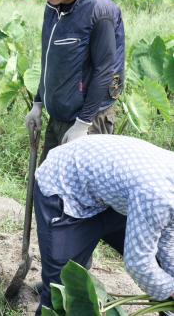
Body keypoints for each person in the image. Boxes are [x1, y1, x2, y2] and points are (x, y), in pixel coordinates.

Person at [33, 134, 174, 314]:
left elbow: (169, 243)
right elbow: (139, 263)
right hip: (67, 191)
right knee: (61, 295)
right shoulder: (159, 197)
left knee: (161, 266)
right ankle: (53, 284)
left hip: (109, 195)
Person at [20, 0, 125, 162]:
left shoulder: (99, 11)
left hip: (89, 122)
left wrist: (83, 124)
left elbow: (104, 72)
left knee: (78, 194)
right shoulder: (53, 6)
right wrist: (38, 103)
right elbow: (49, 59)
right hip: (58, 117)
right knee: (47, 189)